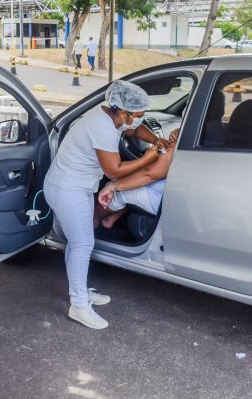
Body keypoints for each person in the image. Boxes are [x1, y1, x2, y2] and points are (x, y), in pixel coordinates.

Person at [43, 81, 169, 329]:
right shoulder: (101, 126)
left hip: (75, 187)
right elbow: (113, 169)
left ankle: (79, 292)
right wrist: (148, 157)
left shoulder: (111, 117)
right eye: (137, 115)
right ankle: (79, 305)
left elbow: (133, 131)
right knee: (83, 244)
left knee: (77, 243)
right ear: (123, 112)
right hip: (67, 188)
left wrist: (156, 139)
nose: (138, 120)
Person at [95, 129, 178, 228]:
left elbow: (149, 174)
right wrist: (178, 131)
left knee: (118, 192)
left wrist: (112, 186)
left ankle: (94, 219)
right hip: (171, 189)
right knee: (131, 181)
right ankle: (110, 219)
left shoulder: (177, 145)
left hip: (164, 199)